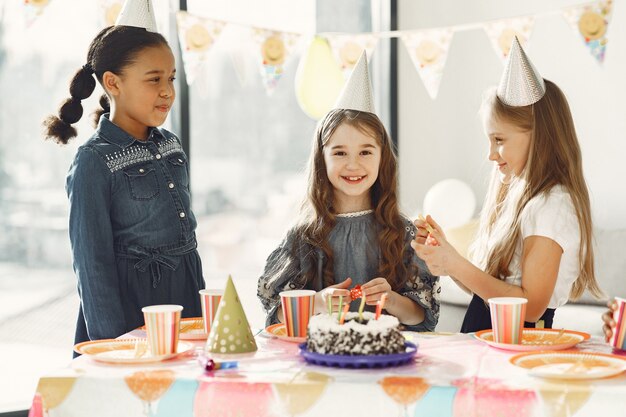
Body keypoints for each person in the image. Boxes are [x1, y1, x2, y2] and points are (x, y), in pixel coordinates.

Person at [42, 1, 204, 350]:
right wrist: (112, 345)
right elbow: (92, 265)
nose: (168, 91)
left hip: (187, 304)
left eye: (171, 78)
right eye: (154, 79)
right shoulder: (93, 161)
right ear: (113, 83)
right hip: (132, 316)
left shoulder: (172, 145)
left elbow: (187, 244)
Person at [412, 38, 602, 333]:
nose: (490, 154)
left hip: (518, 344)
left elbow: (531, 306)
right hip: (489, 338)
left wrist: (455, 263)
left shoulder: (552, 205)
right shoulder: (523, 199)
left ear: (540, 136)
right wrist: (449, 259)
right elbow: (488, 293)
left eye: (499, 140)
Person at [258, 52, 440, 331]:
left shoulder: (402, 233)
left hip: (385, 361)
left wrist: (391, 300)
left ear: (383, 159)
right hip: (320, 361)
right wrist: (317, 302)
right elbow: (276, 315)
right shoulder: (304, 237)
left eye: (365, 152)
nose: (353, 164)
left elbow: (422, 317)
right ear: (323, 160)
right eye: (340, 152)